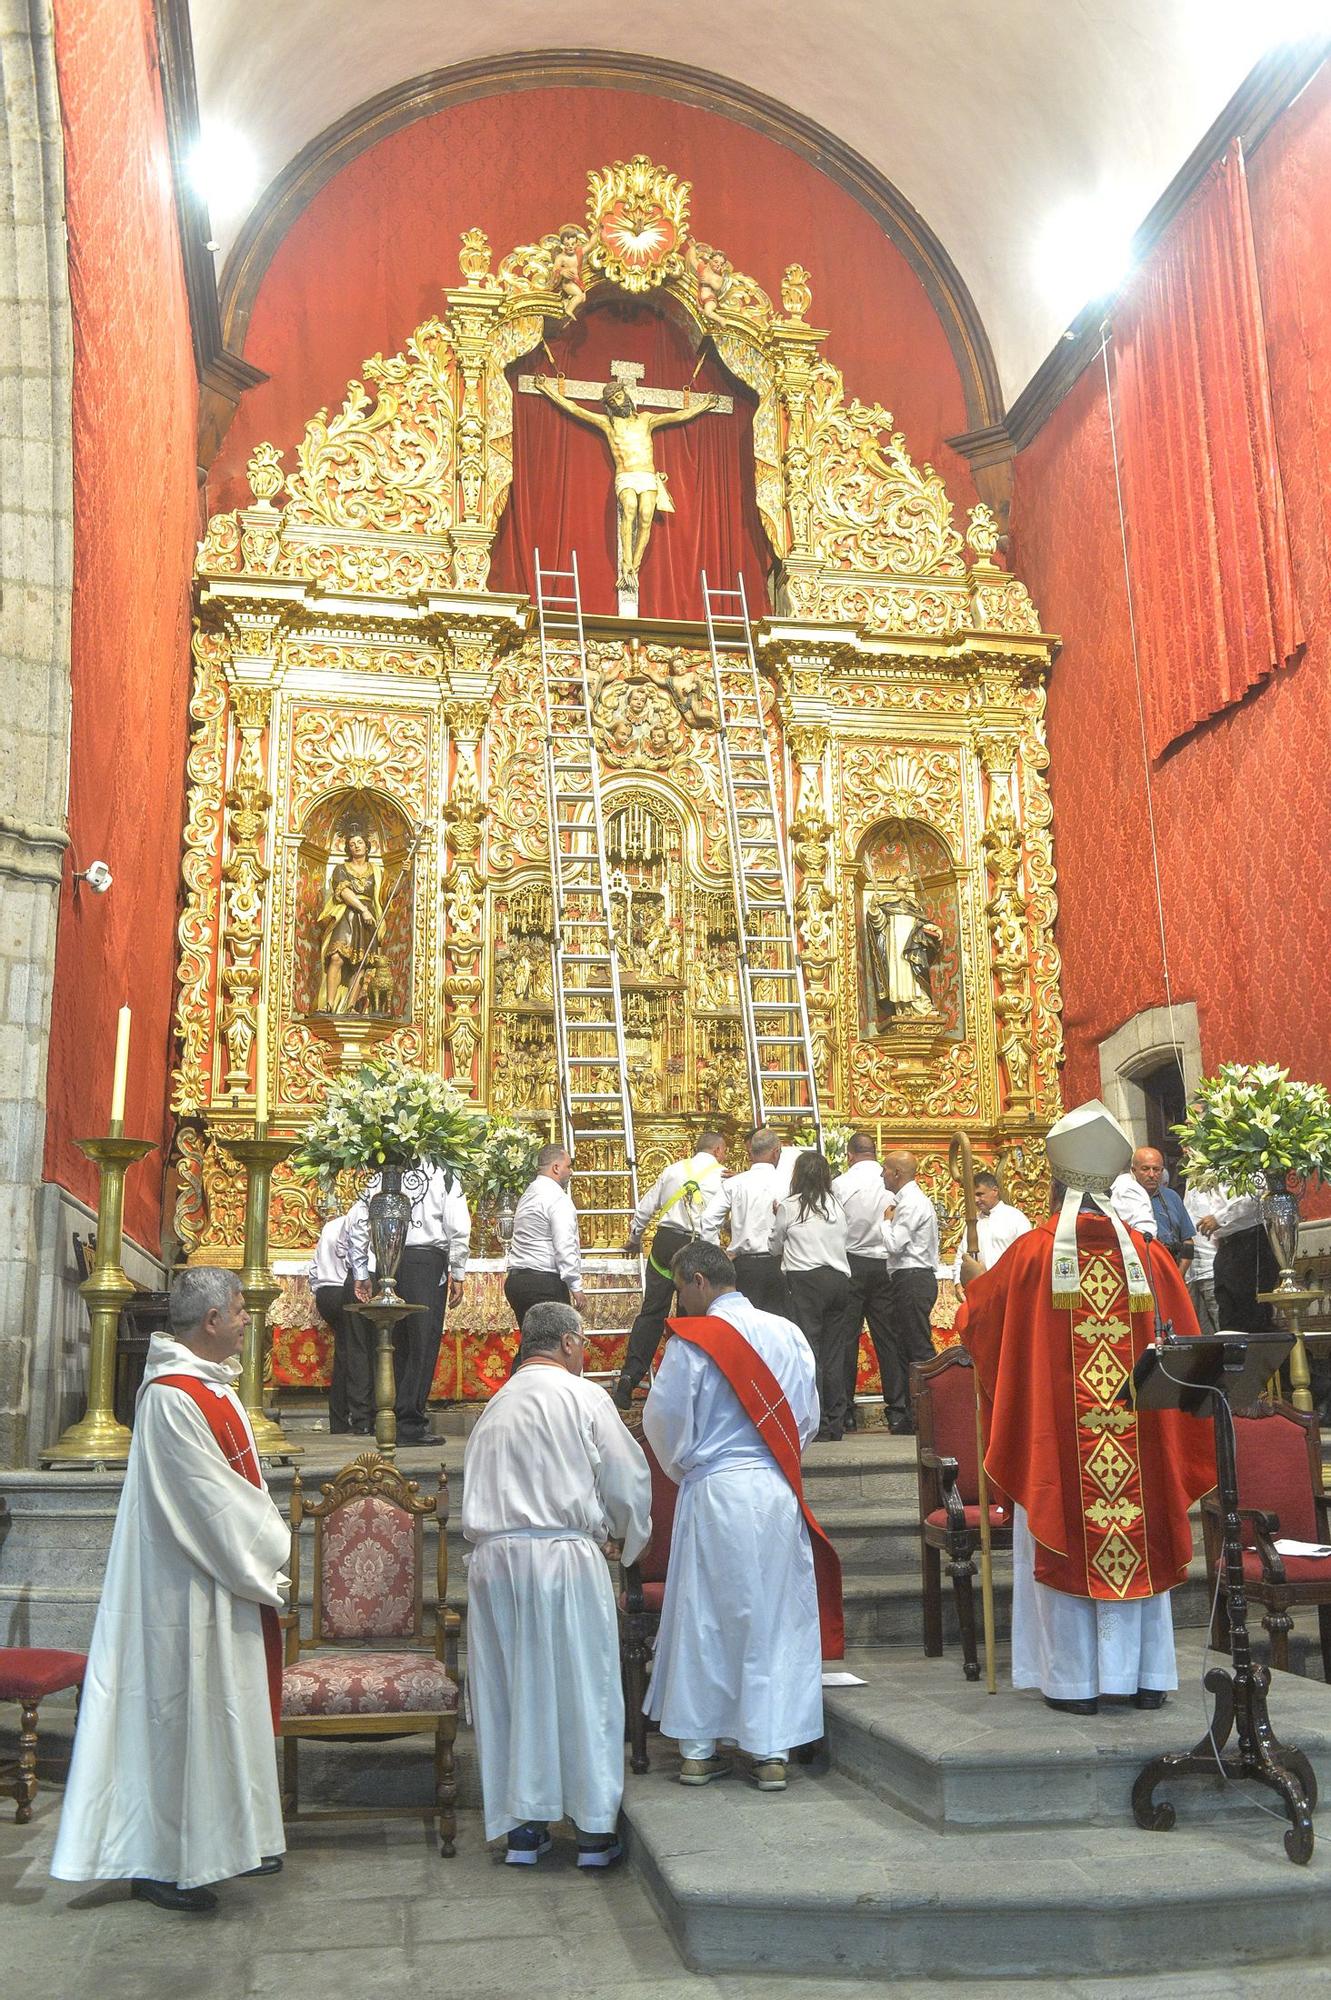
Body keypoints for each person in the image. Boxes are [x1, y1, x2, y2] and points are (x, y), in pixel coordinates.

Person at [956, 1100, 1215, 1715]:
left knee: (1066, 1526)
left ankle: (1074, 1683)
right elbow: (1189, 1347)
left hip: (1059, 1444)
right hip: (1142, 1447)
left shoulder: (1029, 1255)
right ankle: (1146, 1675)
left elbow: (984, 1329)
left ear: (1056, 1182)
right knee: (1138, 1522)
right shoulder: (1149, 1257)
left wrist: (973, 1285)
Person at [51, 1268, 289, 1911]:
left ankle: (233, 1840)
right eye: (239, 1310)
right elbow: (208, 1505)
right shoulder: (174, 1397)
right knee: (177, 1720)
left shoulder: (211, 1386)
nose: (247, 1319)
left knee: (217, 1717)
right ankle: (159, 1861)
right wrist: (274, 1546)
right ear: (211, 1320)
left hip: (213, 1582)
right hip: (180, 1592)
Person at [643, 1241, 842, 1791]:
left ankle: (699, 1750)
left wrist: (693, 1471)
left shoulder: (692, 1344)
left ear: (698, 1281)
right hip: (775, 1492)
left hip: (715, 1493)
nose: (680, 1303)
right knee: (773, 1618)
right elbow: (807, 1420)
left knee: (705, 1615)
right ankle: (770, 1750)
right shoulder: (789, 1334)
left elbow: (664, 1423)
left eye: (681, 1290)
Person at [462, 1301, 651, 1868]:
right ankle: (593, 1832)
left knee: (512, 1692)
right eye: (584, 1342)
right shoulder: (583, 1396)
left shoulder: (492, 1408)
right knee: (582, 1686)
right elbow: (627, 1477)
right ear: (568, 1343)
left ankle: (524, 1829)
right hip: (561, 1558)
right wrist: (624, 1537)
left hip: (494, 1562)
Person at [534, 374, 721, 595]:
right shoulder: (608, 424)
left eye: (619, 397)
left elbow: (679, 416)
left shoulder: (646, 420)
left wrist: (705, 405)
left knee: (645, 516)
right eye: (612, 401)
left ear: (626, 396)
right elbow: (575, 409)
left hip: (648, 476)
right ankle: (626, 561)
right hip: (626, 476)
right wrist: (547, 389)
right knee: (630, 507)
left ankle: (634, 566)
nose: (617, 403)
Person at [347, 1164, 470, 1444]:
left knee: (394, 1341)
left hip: (387, 1257)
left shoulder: (383, 1172)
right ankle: (409, 1422)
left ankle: (389, 1417)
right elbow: (457, 1225)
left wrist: (362, 1271)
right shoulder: (443, 1171)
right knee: (421, 1343)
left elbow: (358, 1222)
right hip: (425, 1261)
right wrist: (458, 1270)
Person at [614, 1131, 728, 1410]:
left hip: (665, 1243)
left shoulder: (673, 1169)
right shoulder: (723, 1176)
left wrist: (634, 1237)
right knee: (691, 1318)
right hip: (695, 1247)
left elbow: (647, 1207)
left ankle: (630, 1377)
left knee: (653, 1311)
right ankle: (684, 1386)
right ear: (718, 1150)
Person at [771, 1151, 851, 1440]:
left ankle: (812, 1421)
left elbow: (774, 1245)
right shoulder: (837, 1205)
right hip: (838, 1280)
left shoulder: (790, 1206)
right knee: (834, 1352)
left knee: (807, 1352)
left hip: (805, 1282)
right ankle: (836, 1421)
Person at [832, 1132, 894, 1431]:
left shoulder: (841, 1184)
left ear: (849, 1154)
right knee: (888, 1338)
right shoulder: (890, 1179)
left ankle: (844, 1410)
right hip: (885, 1262)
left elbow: (834, 1225)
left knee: (846, 1337)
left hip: (852, 1262)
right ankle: (898, 1408)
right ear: (875, 1151)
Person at [880, 1150, 941, 1435]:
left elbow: (895, 1244)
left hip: (913, 1278)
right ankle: (915, 1415)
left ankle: (932, 1412)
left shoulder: (911, 1203)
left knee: (917, 1347)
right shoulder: (907, 1201)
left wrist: (885, 1221)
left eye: (885, 1170)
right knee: (907, 1347)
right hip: (908, 1278)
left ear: (897, 1174)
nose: (882, 1175)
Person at [699, 1127, 789, 1315]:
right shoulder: (788, 1183)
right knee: (775, 1326)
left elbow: (708, 1219)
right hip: (777, 1266)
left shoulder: (735, 1183)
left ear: (750, 1153)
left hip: (743, 1266)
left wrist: (716, 1256)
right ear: (776, 1151)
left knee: (743, 1325)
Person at [505, 1144, 587, 1331]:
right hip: (543, 1283)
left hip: (517, 1281)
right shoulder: (557, 1198)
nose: (571, 1172)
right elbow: (564, 1243)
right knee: (554, 1345)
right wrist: (575, 1285)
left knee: (532, 1344)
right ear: (556, 1168)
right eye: (569, 1166)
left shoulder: (528, 1193)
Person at [308, 1209, 373, 1434]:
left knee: (345, 1352)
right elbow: (356, 1262)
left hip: (325, 1293)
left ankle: (338, 1419)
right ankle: (362, 1416)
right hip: (347, 1289)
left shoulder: (331, 1225)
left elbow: (313, 1269)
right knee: (359, 1351)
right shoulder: (362, 1226)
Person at [1195, 1185, 1279, 1332]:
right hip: (1225, 1245)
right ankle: (1233, 1351)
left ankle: (1257, 1354)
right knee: (1227, 1311)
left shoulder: (1246, 1164)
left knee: (1252, 1314)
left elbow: (1255, 1197)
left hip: (1250, 1241)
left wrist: (1219, 1218)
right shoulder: (1208, 1169)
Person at [1113, 1147, 1193, 1273]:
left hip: (1170, 1269)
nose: (1151, 1175)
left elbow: (1188, 1243)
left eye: (1156, 1170)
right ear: (1133, 1170)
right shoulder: (1122, 1198)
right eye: (1145, 1169)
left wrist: (1177, 1276)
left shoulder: (1172, 1197)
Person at [948, 1170, 1032, 1279]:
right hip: (981, 1286)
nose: (975, 1200)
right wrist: (957, 1282)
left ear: (995, 1191)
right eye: (972, 1195)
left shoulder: (1016, 1218)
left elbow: (1028, 1255)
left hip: (1008, 1284)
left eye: (980, 1194)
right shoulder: (974, 1223)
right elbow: (962, 1255)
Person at [1182, 1173, 1221, 1335]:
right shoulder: (1190, 1177)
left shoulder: (1218, 1174)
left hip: (1212, 1268)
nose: (1185, 1149)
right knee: (1202, 1338)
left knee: (1225, 1332)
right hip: (1191, 1272)